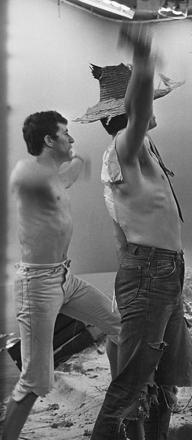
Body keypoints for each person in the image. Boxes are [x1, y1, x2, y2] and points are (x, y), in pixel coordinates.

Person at [78, 24, 192, 440]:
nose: (152, 107)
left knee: (163, 384)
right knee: (129, 388)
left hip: (162, 272)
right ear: (125, 114)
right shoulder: (123, 148)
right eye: (146, 98)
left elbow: (120, 236)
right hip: (152, 274)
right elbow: (139, 112)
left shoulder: (139, 151)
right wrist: (144, 61)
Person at [2, 111, 120, 440]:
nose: (71, 138)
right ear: (48, 140)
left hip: (66, 279)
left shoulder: (52, 177)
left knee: (119, 326)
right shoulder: (26, 170)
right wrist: (69, 160)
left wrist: (77, 159)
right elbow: (26, 182)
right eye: (65, 133)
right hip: (37, 286)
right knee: (35, 381)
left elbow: (64, 180)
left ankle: (118, 404)